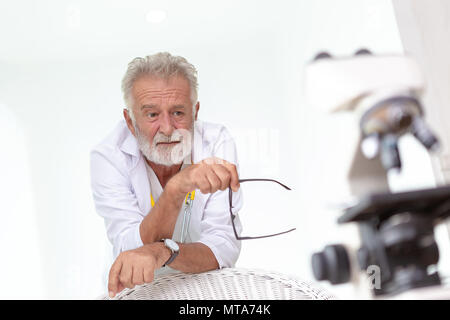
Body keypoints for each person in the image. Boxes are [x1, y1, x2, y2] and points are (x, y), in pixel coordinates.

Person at [90, 52, 243, 298]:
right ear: (130, 121)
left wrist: (165, 251)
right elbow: (130, 250)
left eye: (178, 113)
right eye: (152, 115)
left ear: (195, 111)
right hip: (136, 291)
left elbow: (224, 247)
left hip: (204, 291)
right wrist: (176, 189)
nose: (168, 128)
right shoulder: (108, 156)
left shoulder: (216, 142)